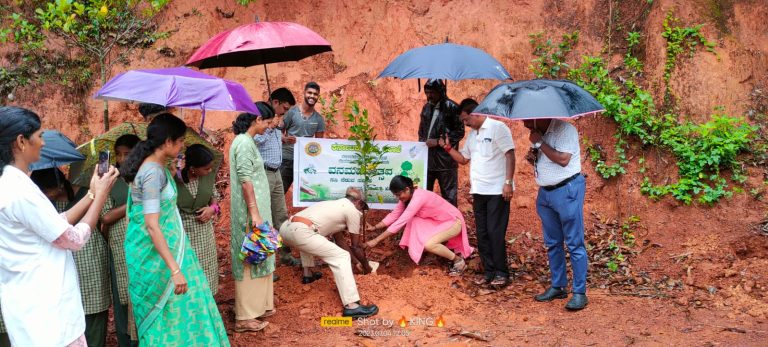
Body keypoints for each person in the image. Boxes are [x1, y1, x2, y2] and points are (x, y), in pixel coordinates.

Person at [0, 106, 118, 347]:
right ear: (21, 141)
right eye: (40, 136)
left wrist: (92, 194)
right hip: (47, 312)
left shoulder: (12, 183)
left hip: (32, 307)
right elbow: (73, 239)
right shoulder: (20, 191)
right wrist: (102, 196)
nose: (43, 143)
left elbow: (54, 223)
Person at [120, 113, 229, 345]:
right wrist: (174, 269)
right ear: (167, 142)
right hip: (160, 258)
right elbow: (151, 225)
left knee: (181, 312)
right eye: (180, 141)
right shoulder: (151, 173)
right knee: (170, 314)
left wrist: (171, 169)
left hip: (169, 250)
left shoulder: (156, 168)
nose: (182, 146)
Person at [31, 168, 112, 347]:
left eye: (46, 191)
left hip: (91, 262)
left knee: (94, 315)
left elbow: (105, 224)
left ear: (60, 185)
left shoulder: (84, 193)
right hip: (63, 268)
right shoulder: (44, 206)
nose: (44, 196)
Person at [440, 98, 515, 286]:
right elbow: (464, 159)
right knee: (482, 233)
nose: (465, 124)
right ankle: (489, 271)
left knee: (495, 232)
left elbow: (510, 155)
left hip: (497, 190)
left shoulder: (498, 128)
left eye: (466, 120)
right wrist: (448, 149)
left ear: (476, 113)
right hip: (479, 191)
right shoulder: (473, 135)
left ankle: (502, 273)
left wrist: (508, 182)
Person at [278, 186, 379, 318]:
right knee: (341, 257)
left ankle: (307, 275)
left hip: (285, 229)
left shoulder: (334, 205)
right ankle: (352, 306)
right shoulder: (352, 210)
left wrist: (355, 263)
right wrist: (367, 267)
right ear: (358, 203)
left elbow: (340, 242)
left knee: (310, 239)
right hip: (301, 231)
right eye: (363, 207)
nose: (362, 211)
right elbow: (356, 247)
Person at [523, 118, 588, 311]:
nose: (524, 123)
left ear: (539, 117)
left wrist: (540, 143)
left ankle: (579, 293)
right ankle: (559, 286)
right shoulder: (539, 133)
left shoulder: (564, 130)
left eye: (527, 119)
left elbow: (563, 159)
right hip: (546, 193)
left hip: (567, 190)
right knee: (552, 243)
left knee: (574, 243)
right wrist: (535, 153)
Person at [229, 103, 278, 332]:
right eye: (267, 122)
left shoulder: (246, 141)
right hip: (251, 213)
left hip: (257, 210)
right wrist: (254, 212)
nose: (269, 127)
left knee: (259, 253)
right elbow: (246, 180)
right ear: (257, 119)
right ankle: (245, 316)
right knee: (250, 257)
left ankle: (258, 307)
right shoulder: (243, 143)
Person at [365, 175, 473, 275]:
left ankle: (458, 261)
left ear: (407, 189)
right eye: (396, 195)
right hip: (438, 222)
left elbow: (400, 222)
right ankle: (426, 252)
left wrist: (376, 240)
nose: (398, 198)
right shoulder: (406, 198)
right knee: (414, 220)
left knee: (429, 244)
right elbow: (394, 215)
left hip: (453, 222)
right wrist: (375, 227)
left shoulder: (418, 197)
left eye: (399, 195)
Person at [99, 134, 140, 347]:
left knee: (141, 295)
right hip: (119, 245)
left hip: (143, 244)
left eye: (128, 153)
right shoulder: (111, 180)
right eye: (119, 154)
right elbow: (105, 217)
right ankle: (126, 342)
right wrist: (134, 200)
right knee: (123, 298)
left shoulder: (144, 176)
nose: (123, 158)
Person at [255, 87, 301, 267]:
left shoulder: (276, 121)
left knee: (280, 215)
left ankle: (284, 255)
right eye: (285, 108)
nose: (286, 112)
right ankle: (266, 263)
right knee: (264, 216)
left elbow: (271, 142)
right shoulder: (259, 117)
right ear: (275, 102)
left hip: (277, 173)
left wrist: (282, 138)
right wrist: (270, 127)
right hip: (264, 173)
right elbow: (254, 141)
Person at [176, 144, 221, 295]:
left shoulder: (207, 177)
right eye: (206, 168)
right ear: (193, 168)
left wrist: (212, 209)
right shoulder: (175, 182)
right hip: (184, 236)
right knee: (190, 274)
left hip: (205, 236)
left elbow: (214, 196)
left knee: (207, 272)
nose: (209, 171)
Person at [418, 79, 464, 206]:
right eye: (427, 92)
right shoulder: (426, 107)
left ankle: (452, 223)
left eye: (432, 92)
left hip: (446, 162)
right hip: (427, 160)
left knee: (449, 197)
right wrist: (422, 144)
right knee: (424, 196)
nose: (429, 95)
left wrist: (439, 142)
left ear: (441, 91)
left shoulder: (453, 107)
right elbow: (421, 130)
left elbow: (460, 132)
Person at [280, 81, 325, 193]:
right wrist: (284, 138)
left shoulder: (318, 119)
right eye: (310, 92)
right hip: (287, 160)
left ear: (318, 97)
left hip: (304, 162)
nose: (312, 96)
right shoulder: (292, 112)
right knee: (279, 192)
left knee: (308, 192)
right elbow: (279, 131)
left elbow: (319, 144)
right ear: (304, 93)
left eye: (315, 94)